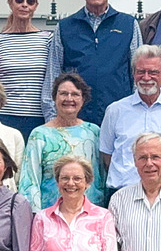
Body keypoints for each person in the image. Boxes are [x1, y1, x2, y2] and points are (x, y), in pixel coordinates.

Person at [42, 0, 142, 125]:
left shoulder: (128, 25)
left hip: (119, 120)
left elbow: (137, 75)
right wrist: (52, 122)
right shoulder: (65, 27)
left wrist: (136, 117)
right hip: (74, 122)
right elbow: (53, 76)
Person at [99, 45, 161, 191]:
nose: (146, 77)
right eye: (141, 72)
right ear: (133, 73)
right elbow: (106, 156)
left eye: (153, 72)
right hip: (122, 194)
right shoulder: (115, 111)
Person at [20, 74, 107, 210]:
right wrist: (34, 215)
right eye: (63, 94)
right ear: (54, 98)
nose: (69, 99)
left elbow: (100, 177)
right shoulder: (40, 135)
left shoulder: (94, 132)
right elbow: (30, 180)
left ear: (83, 99)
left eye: (75, 94)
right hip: (50, 215)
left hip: (89, 215)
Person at [0, 0, 54, 136]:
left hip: (39, 119)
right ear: (10, 2)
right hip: (4, 119)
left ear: (36, 6)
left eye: (30, 1)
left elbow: (53, 81)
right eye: (19, 0)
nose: (24, 5)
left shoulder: (47, 40)